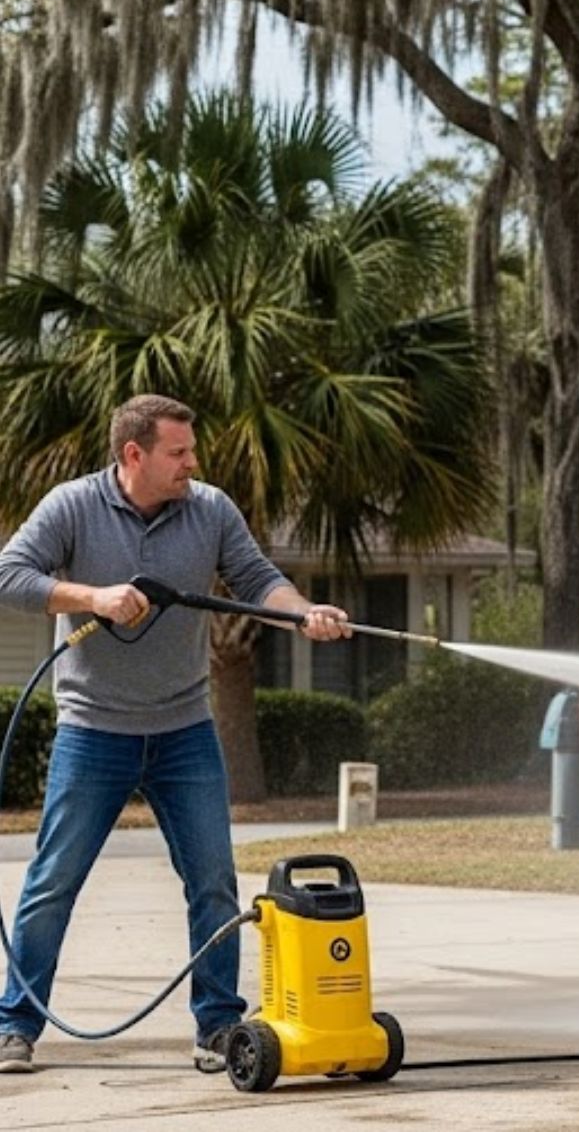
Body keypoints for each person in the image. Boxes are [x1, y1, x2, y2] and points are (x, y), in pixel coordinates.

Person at [0, 395, 351, 1076]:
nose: (193, 462)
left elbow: (257, 580)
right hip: (93, 729)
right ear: (134, 454)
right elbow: (10, 576)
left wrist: (303, 612)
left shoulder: (209, 509)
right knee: (53, 881)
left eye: (192, 450)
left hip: (185, 728)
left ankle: (218, 1026)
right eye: (179, 452)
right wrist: (93, 596)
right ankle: (15, 1025)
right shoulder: (72, 505)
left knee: (213, 881)